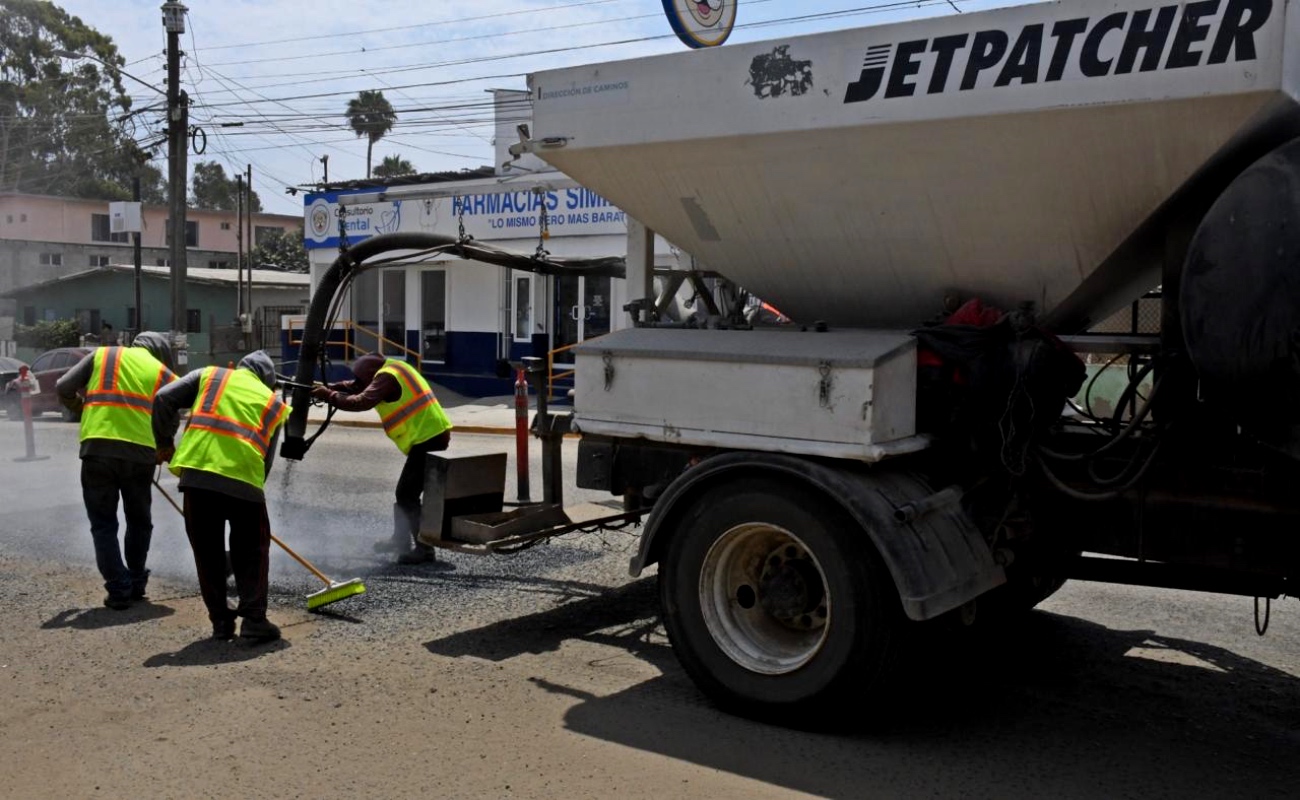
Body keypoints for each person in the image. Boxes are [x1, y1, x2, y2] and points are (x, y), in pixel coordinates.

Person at [153, 351, 289, 643]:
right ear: (268, 381)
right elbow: (265, 460)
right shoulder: (272, 402)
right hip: (243, 482)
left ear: (240, 367)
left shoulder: (210, 375)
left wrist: (164, 444)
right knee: (252, 551)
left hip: (198, 478)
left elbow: (164, 398)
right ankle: (254, 620)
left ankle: (220, 623)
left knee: (207, 553)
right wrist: (252, 492)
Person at [56, 331, 174, 610]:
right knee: (139, 521)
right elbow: (176, 407)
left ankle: (119, 587)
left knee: (103, 524)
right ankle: (135, 581)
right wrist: (164, 445)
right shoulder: (162, 372)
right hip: (140, 456)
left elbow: (63, 386)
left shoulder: (103, 354)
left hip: (97, 450)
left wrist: (82, 409)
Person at [312, 353, 452, 565]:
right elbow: (354, 386)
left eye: (361, 379)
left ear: (371, 375)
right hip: (432, 434)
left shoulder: (385, 378)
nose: (358, 382)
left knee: (406, 494)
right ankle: (400, 540)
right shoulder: (395, 367)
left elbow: (360, 401)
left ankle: (425, 549)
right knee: (405, 493)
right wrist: (329, 387)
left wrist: (330, 396)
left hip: (428, 438)